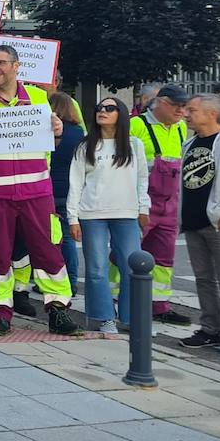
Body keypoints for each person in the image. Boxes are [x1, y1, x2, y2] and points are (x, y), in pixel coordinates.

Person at [0, 44, 79, 336]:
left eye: (1, 62)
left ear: (16, 66)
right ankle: (0, 312)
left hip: (35, 191)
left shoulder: (38, 98)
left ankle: (58, 311)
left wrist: (58, 131)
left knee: (48, 251)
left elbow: (53, 143)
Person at [67, 96, 149, 334]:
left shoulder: (134, 145)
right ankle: (103, 318)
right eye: (99, 108)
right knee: (96, 268)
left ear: (120, 114)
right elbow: (76, 183)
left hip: (126, 213)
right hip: (92, 213)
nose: (102, 111)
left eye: (109, 108)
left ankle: (131, 317)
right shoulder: (85, 146)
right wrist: (73, 218)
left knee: (132, 266)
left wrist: (144, 207)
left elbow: (142, 179)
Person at [130, 84, 192, 325]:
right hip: (142, 202)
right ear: (161, 102)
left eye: (184, 107)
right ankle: (120, 299)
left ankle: (159, 305)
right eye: (177, 106)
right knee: (129, 253)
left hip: (169, 205)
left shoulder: (180, 128)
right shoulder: (136, 125)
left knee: (164, 258)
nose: (182, 111)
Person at [178, 94, 220, 349]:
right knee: (203, 279)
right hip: (194, 222)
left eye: (192, 110)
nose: (186, 114)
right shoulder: (190, 143)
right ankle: (210, 329)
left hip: (216, 222)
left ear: (211, 114)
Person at [49, 92, 85, 296]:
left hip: (50, 187)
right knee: (67, 239)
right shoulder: (78, 132)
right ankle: (71, 280)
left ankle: (53, 279)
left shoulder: (48, 131)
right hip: (70, 190)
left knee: (49, 239)